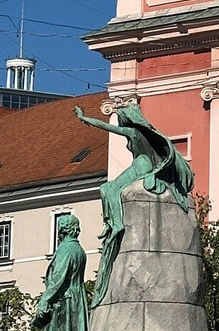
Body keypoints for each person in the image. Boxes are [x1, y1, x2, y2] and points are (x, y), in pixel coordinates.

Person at [75, 104, 194, 306]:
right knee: (108, 189)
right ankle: (113, 221)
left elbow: (108, 127)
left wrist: (85, 118)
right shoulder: (144, 133)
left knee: (108, 189)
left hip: (142, 165)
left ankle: (115, 223)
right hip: (143, 164)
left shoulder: (134, 133)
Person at [23, 215, 88, 331]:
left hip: (63, 301)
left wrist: (45, 300)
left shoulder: (66, 249)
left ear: (63, 230)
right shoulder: (79, 250)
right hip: (76, 301)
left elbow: (58, 278)